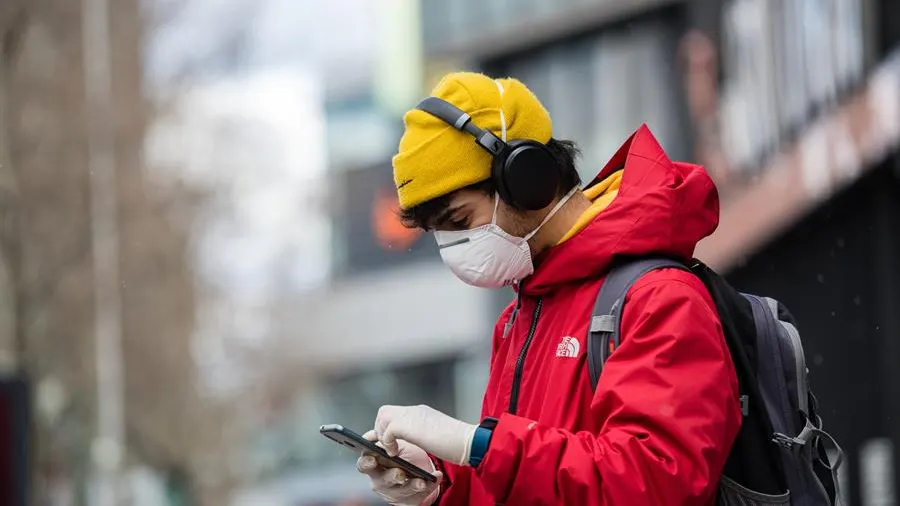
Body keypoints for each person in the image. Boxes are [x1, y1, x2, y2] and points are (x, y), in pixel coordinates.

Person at [355, 72, 741, 506]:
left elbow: (654, 482)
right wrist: (443, 484)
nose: (453, 249)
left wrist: (479, 446)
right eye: (439, 235)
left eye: (460, 221)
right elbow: (531, 488)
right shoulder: (519, 320)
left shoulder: (659, 298)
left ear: (526, 181)